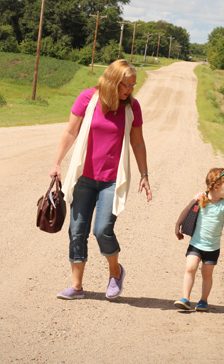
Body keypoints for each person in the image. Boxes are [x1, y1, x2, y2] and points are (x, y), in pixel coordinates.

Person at [49, 59, 152, 300]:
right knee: (76, 231)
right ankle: (76, 287)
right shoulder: (87, 98)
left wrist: (144, 174)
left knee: (102, 230)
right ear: (112, 81)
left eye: (133, 85)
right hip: (84, 177)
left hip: (112, 179)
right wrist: (56, 163)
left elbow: (137, 142)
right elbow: (71, 132)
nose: (130, 90)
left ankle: (115, 272)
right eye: (126, 85)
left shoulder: (131, 108)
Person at [174, 168, 224, 311]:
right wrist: (177, 224)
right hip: (196, 243)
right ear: (216, 186)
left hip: (213, 247)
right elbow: (187, 210)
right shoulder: (201, 197)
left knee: (207, 274)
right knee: (190, 268)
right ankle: (185, 299)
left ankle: (203, 300)